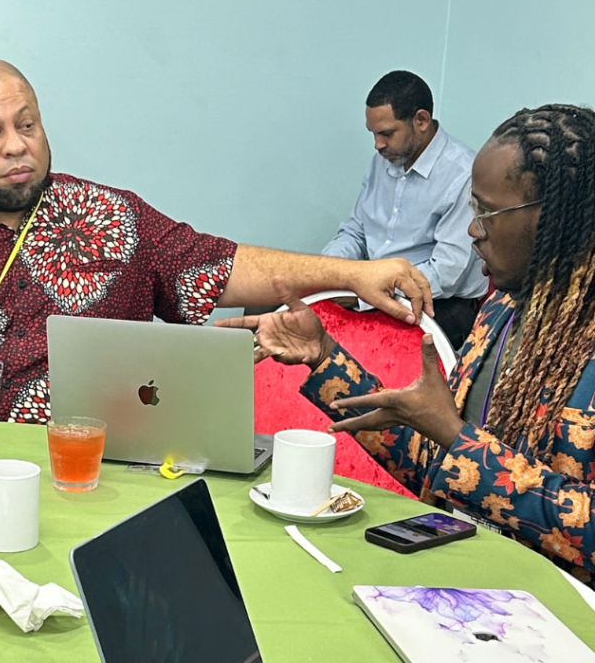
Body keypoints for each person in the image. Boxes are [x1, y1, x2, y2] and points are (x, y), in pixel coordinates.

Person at [0, 58, 433, 433]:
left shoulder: (110, 216)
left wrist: (353, 275)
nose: (16, 145)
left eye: (27, 124)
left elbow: (218, 265)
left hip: (99, 465)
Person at [223, 105, 595, 586]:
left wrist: (457, 437)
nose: (472, 230)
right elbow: (448, 469)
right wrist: (324, 358)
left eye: (487, 212)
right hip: (466, 585)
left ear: (557, 217)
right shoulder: (503, 311)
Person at [322, 70, 486, 347]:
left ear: (421, 120)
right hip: (376, 288)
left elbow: (446, 274)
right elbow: (357, 231)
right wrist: (328, 273)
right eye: (373, 134)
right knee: (286, 319)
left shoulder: (463, 175)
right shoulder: (384, 161)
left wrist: (364, 293)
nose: (378, 145)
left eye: (386, 133)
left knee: (360, 352)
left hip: (440, 302)